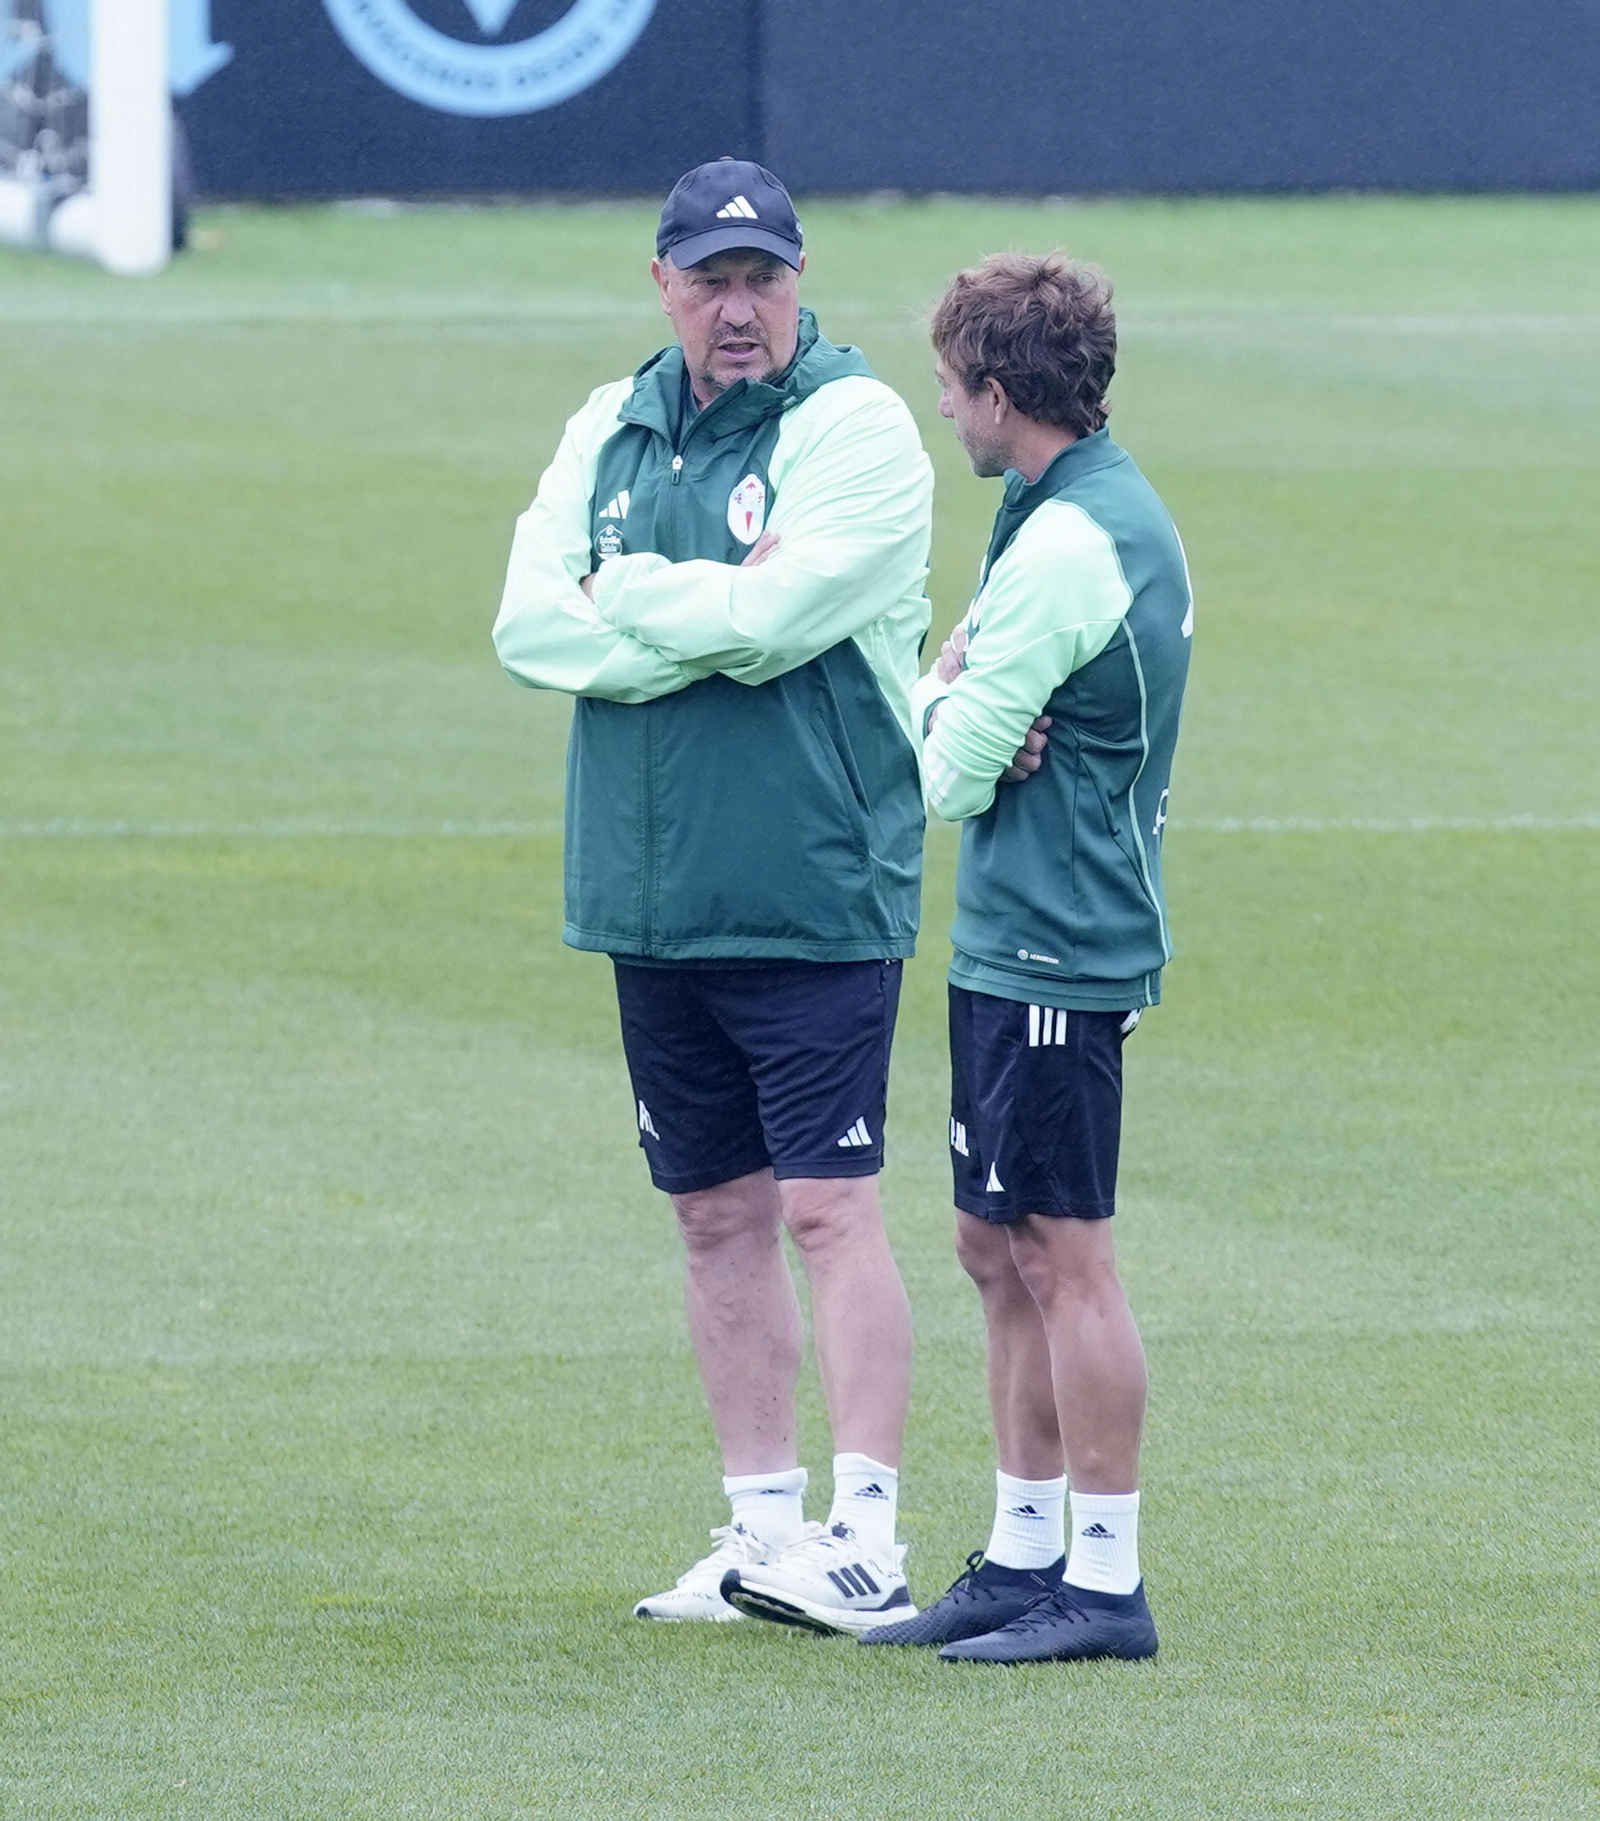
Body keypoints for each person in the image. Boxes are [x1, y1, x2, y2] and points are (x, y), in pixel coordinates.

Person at [491, 159, 933, 1634]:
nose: (737, 309)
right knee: (708, 1215)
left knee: (829, 1206)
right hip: (652, 889)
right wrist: (681, 609)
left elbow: (773, 620)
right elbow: (525, 621)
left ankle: (863, 1534)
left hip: (811, 879)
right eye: (711, 279)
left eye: (763, 279)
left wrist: (634, 595)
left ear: (800, 281)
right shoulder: (608, 424)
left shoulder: (854, 426)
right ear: (664, 282)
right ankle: (758, 1534)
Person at [860, 252, 1192, 1664]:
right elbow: (967, 703)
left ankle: (1105, 1584)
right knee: (992, 1245)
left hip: (1062, 940)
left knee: (1065, 1254)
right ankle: (1020, 1550)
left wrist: (948, 702)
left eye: (949, 386)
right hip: (1012, 931)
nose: (942, 409)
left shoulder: (1070, 545)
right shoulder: (1053, 507)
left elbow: (940, 765)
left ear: (1001, 393)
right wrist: (961, 696)